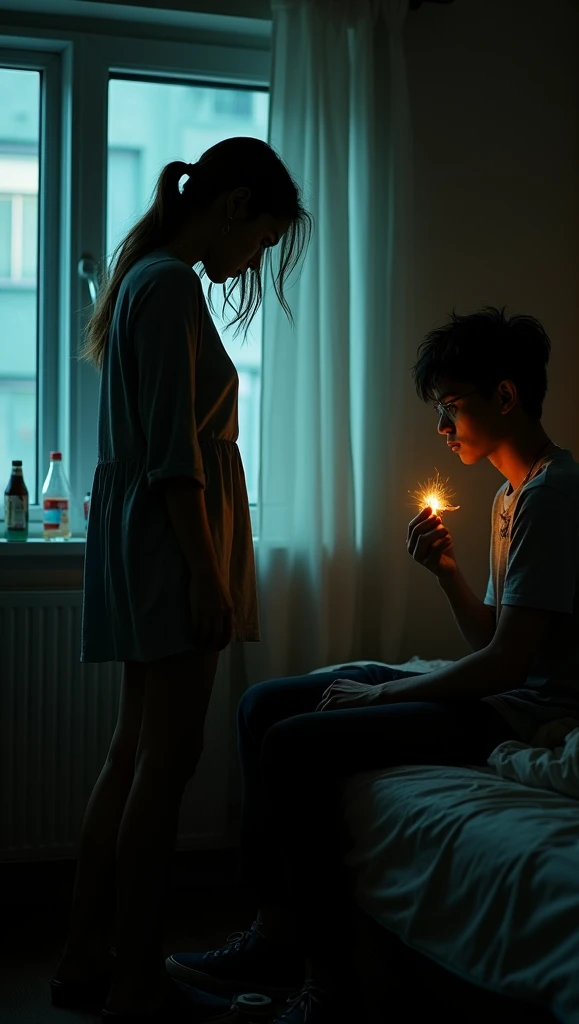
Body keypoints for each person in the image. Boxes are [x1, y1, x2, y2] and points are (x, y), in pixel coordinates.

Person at [166, 307, 579, 1024]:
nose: (442, 430)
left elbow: (505, 666)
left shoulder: (555, 497)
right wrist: (445, 571)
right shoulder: (514, 497)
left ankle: (326, 982)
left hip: (544, 716)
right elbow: (494, 639)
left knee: (294, 745)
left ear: (504, 397)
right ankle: (275, 932)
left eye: (451, 409)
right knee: (261, 705)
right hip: (508, 692)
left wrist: (388, 693)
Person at [50, 138, 311, 1024]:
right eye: (265, 238)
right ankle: (132, 981)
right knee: (165, 762)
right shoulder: (168, 285)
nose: (257, 259)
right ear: (234, 206)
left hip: (154, 540)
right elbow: (172, 458)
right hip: (174, 546)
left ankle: (88, 959)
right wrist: (208, 576)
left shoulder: (151, 279)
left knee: (135, 754)